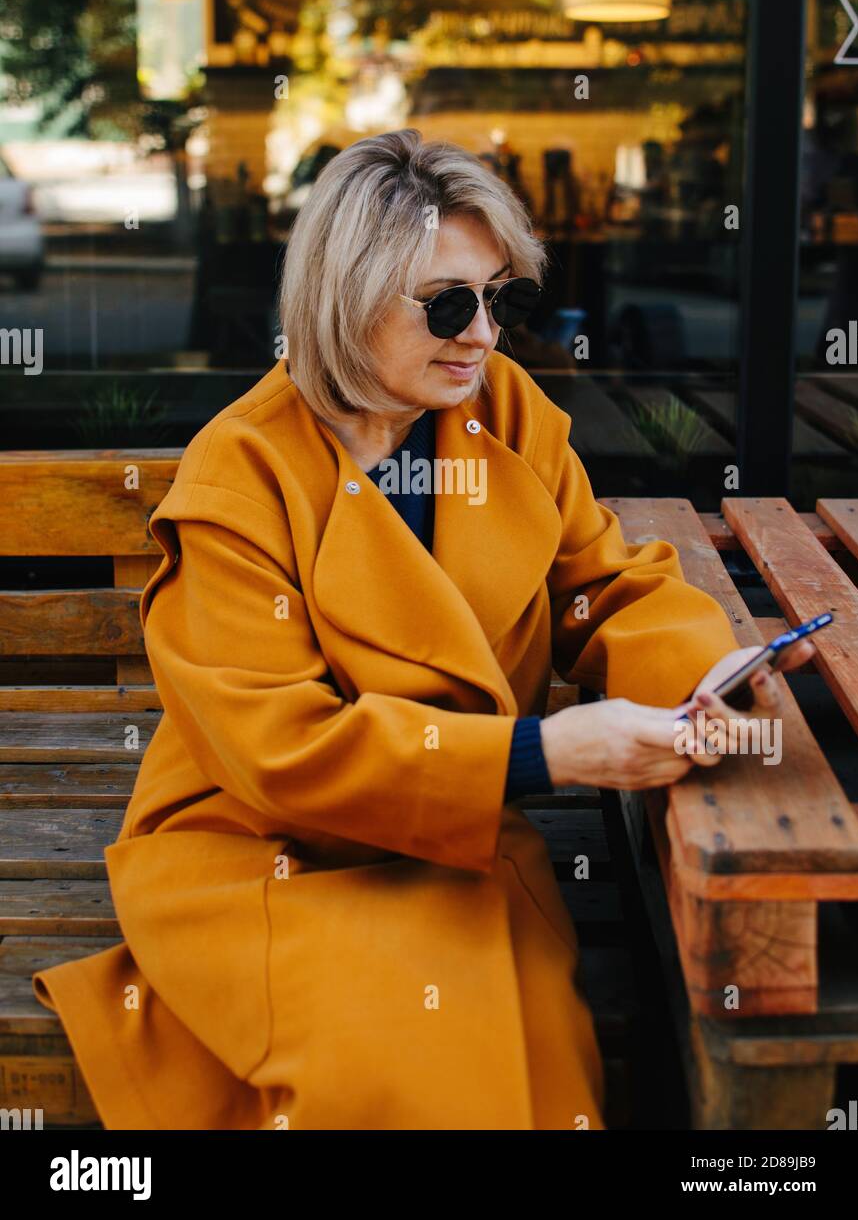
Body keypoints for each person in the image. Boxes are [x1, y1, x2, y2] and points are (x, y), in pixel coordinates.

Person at [32, 130, 814, 1130]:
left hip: (452, 835)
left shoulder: (507, 419)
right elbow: (281, 752)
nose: (483, 333)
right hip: (263, 845)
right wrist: (541, 753)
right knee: (407, 1065)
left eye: (503, 298)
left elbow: (607, 585)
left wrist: (705, 677)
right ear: (344, 296)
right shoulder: (242, 475)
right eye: (447, 302)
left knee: (538, 1066)